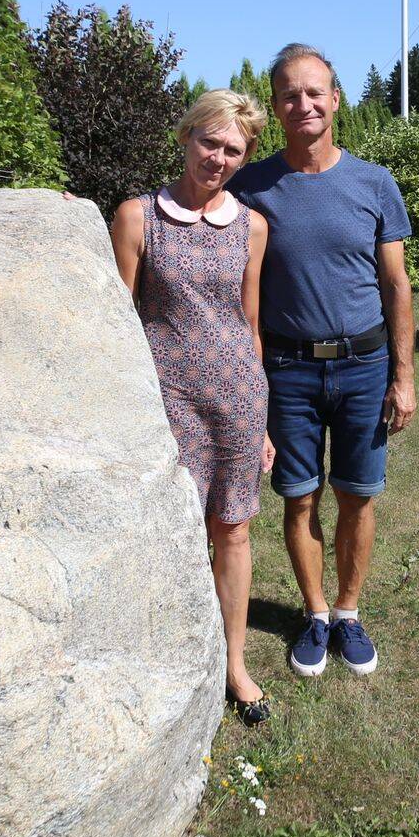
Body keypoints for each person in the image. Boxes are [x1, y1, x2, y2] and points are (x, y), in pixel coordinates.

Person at [228, 43, 415, 680]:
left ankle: (348, 611)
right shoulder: (251, 187)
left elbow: (396, 287)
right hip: (287, 371)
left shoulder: (374, 183)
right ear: (276, 107)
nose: (303, 103)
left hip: (364, 366)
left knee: (357, 497)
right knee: (300, 498)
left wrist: (404, 375)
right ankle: (313, 613)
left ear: (335, 100)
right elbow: (190, 201)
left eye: (315, 92)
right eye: (289, 94)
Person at [110, 89, 276, 725]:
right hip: (165, 402)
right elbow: (118, 322)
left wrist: (260, 419)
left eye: (234, 149)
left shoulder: (252, 226)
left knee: (233, 529)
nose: (219, 156)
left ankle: (234, 664)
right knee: (171, 532)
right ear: (186, 137)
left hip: (236, 400)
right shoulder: (136, 216)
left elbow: (250, 321)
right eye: (210, 141)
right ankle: (173, 656)